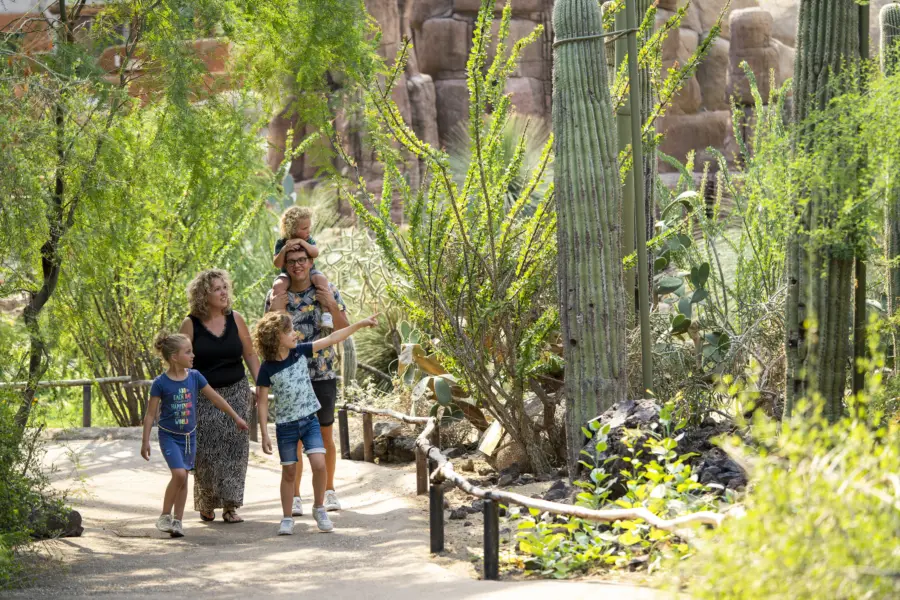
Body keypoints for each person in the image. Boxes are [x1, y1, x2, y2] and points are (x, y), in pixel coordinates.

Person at [253, 311, 378, 535]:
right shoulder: (267, 367)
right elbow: (261, 403)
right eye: (289, 331)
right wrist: (264, 433)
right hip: (286, 427)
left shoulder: (300, 352)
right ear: (276, 336)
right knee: (289, 472)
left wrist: (360, 324)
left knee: (319, 465)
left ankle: (319, 508)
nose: (295, 334)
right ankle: (287, 517)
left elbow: (331, 339)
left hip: (310, 421)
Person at [266, 245, 349, 517]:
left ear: (311, 261)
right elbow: (266, 335)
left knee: (325, 433)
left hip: (322, 371)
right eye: (292, 261)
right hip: (290, 376)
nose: (297, 265)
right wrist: (275, 310)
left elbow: (342, 329)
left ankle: (329, 490)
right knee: (296, 439)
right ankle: (297, 496)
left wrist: (331, 304)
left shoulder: (325, 289)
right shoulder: (277, 294)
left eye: (302, 260)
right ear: (285, 265)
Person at [141, 332, 248, 538]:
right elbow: (150, 415)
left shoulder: (195, 377)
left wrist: (236, 417)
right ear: (174, 357)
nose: (193, 355)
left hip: (190, 437)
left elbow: (216, 399)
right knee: (179, 474)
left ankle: (178, 522)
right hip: (169, 436)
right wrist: (145, 441)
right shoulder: (160, 383)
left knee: (184, 479)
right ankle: (165, 515)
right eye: (188, 352)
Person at [179, 269, 260, 524]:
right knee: (207, 453)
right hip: (203, 394)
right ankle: (206, 504)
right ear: (204, 294)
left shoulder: (236, 319)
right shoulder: (190, 324)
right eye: (217, 289)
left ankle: (230, 506)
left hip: (236, 390)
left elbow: (250, 354)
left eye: (225, 287)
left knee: (235, 452)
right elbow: (181, 362)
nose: (224, 292)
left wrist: (261, 385)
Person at [271, 206, 335, 328]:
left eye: (309, 227)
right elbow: (277, 264)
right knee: (278, 286)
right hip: (288, 274)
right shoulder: (281, 242)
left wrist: (301, 243)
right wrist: (285, 249)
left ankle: (326, 315)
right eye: (305, 228)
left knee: (321, 280)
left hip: (308, 273)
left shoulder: (308, 240)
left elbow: (315, 253)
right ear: (292, 229)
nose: (308, 231)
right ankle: (281, 319)